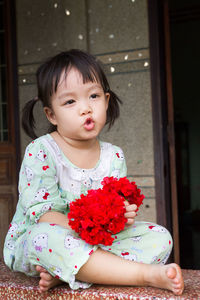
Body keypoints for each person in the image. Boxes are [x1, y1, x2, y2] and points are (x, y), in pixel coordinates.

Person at [3, 49, 184, 295]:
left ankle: (67, 273)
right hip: (45, 238)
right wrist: (89, 231)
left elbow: (114, 216)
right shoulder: (42, 151)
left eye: (94, 96)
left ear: (107, 101)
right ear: (51, 114)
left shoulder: (114, 156)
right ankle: (145, 274)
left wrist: (122, 215)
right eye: (70, 101)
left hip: (92, 241)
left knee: (160, 236)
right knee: (44, 237)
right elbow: (44, 216)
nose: (86, 108)